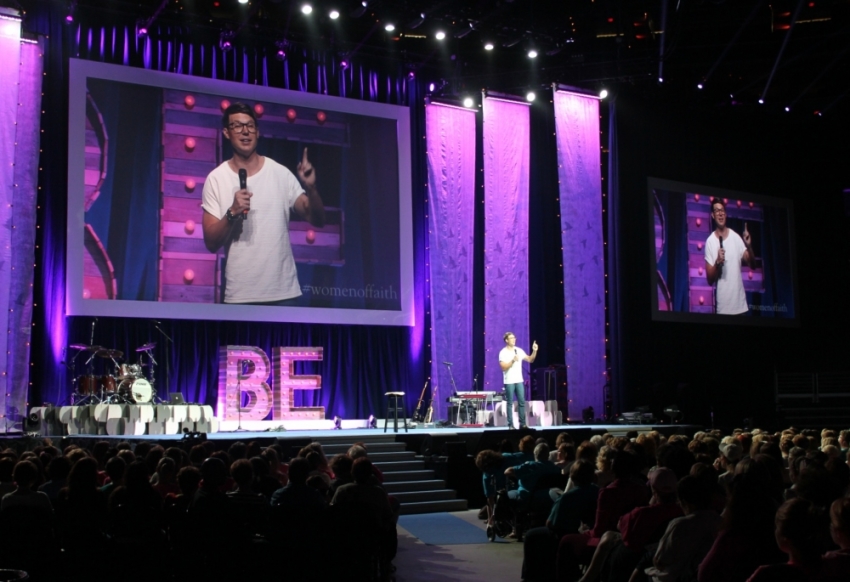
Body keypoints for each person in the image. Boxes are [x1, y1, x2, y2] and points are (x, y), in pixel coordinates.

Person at [202, 102, 326, 305]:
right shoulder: (216, 179)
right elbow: (211, 242)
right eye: (237, 126)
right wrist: (232, 212)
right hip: (240, 296)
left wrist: (311, 188)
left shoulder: (280, 173)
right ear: (226, 132)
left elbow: (317, 219)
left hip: (284, 294)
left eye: (250, 126)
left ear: (257, 132)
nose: (245, 132)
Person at [704, 199, 755, 315]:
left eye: (722, 210)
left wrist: (749, 246)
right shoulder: (710, 242)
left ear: (725, 214)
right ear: (713, 215)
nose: (720, 213)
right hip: (723, 309)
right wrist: (717, 262)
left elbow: (752, 265)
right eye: (717, 211)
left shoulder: (736, 238)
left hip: (741, 307)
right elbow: (709, 280)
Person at [498, 331, 538, 429]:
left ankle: (522, 424)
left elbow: (530, 360)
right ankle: (510, 425)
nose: (514, 339)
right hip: (509, 381)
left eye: (514, 337)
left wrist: (534, 351)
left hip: (519, 380)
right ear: (506, 340)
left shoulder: (518, 350)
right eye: (511, 338)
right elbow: (503, 367)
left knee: (521, 402)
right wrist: (512, 360)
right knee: (510, 403)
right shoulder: (503, 352)